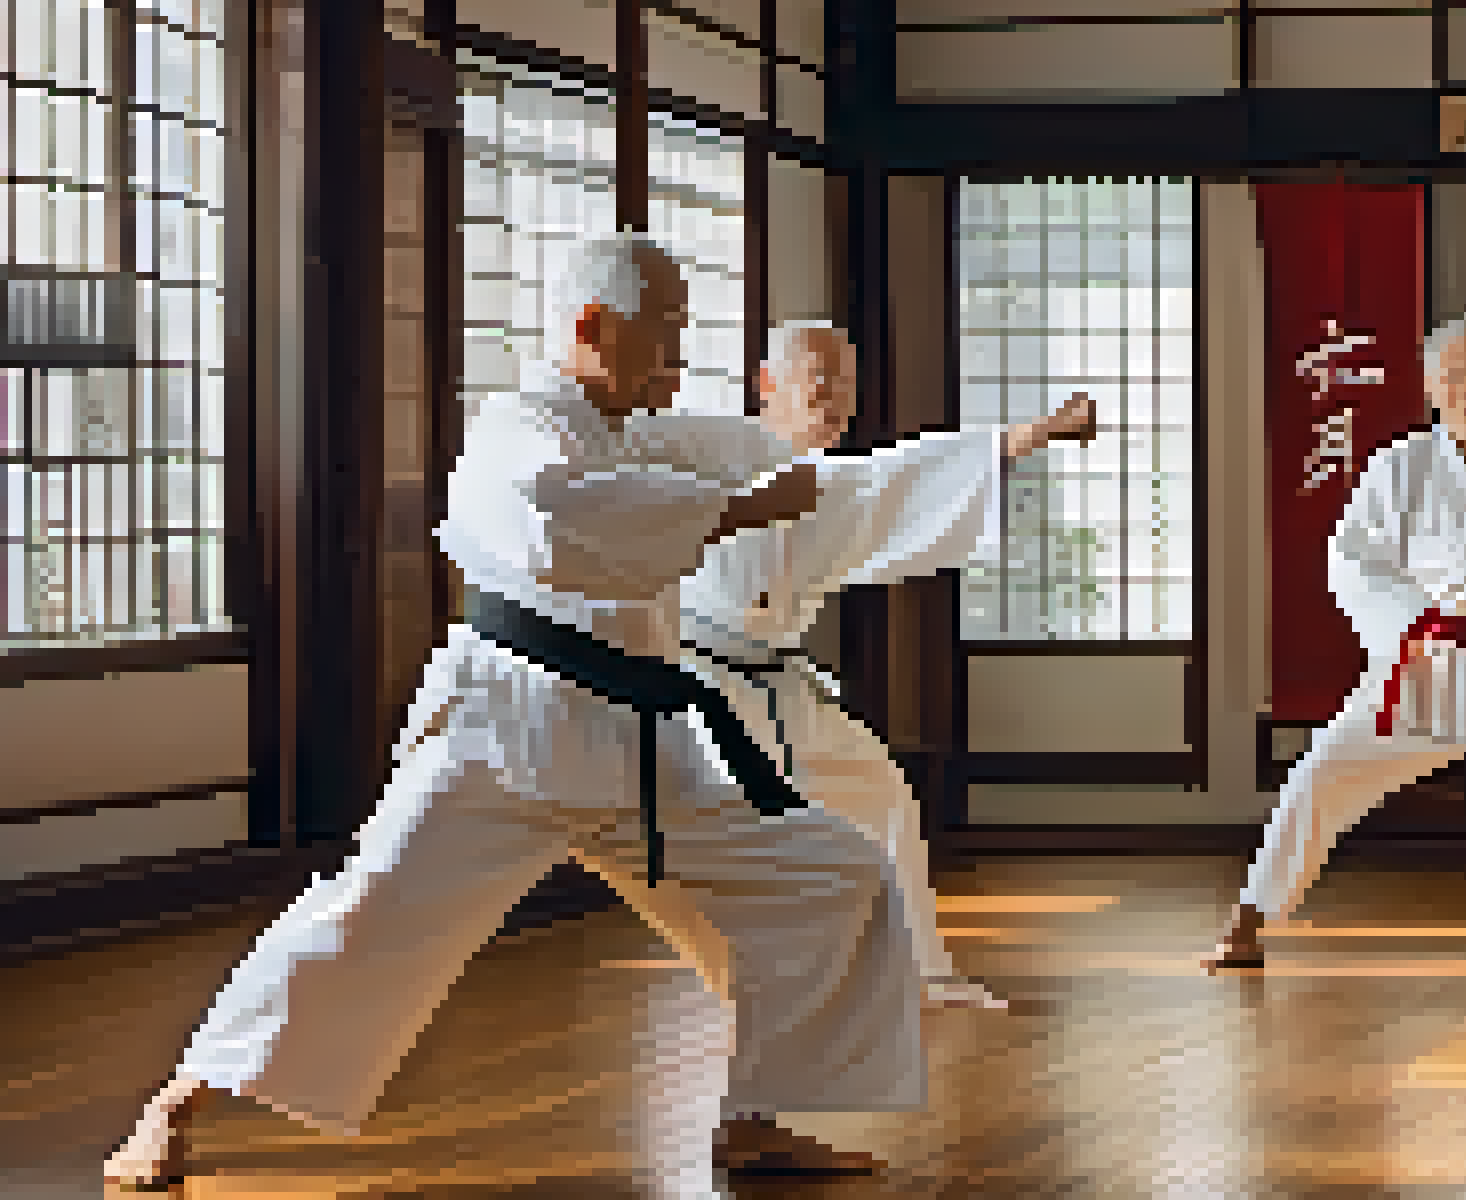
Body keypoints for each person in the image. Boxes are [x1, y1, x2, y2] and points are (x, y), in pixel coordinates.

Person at [106, 236, 924, 1197]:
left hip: (640, 746)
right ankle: (174, 1105)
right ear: (593, 326)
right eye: (664, 330)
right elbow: (554, 519)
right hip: (504, 736)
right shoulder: (519, 427)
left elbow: (776, 471)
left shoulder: (635, 433)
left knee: (830, 873)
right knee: (363, 919)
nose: (679, 353)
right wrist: (733, 511)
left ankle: (757, 1119)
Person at [679, 320, 1098, 1012]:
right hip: (702, 687)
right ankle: (785, 992)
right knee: (753, 841)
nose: (837, 397)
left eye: (847, 382)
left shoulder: (832, 480)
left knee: (882, 795)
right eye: (821, 379)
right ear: (767, 384)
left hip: (777, 683)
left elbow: (911, 471)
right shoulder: (710, 456)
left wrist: (1037, 434)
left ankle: (919, 974)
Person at [1206, 317, 1466, 969]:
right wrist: (1409, 628)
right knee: (1322, 775)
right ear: (1431, 387)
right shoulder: (1398, 468)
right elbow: (1351, 561)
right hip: (1421, 666)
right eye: (1456, 377)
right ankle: (1250, 919)